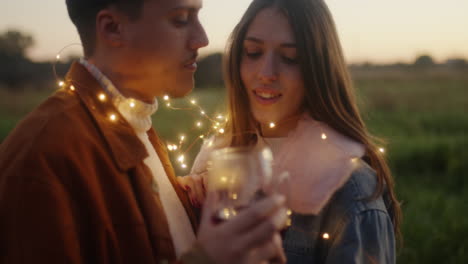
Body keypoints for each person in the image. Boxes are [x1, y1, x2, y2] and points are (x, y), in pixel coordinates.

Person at [0, 0, 288, 263]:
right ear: (113, 28)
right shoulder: (43, 157)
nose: (202, 38)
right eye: (180, 19)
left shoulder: (133, 125)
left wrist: (191, 204)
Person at [178, 0, 402, 263]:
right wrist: (182, 204)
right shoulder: (218, 161)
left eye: (290, 57)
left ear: (318, 68)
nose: (266, 73)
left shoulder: (349, 189)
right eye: (253, 52)